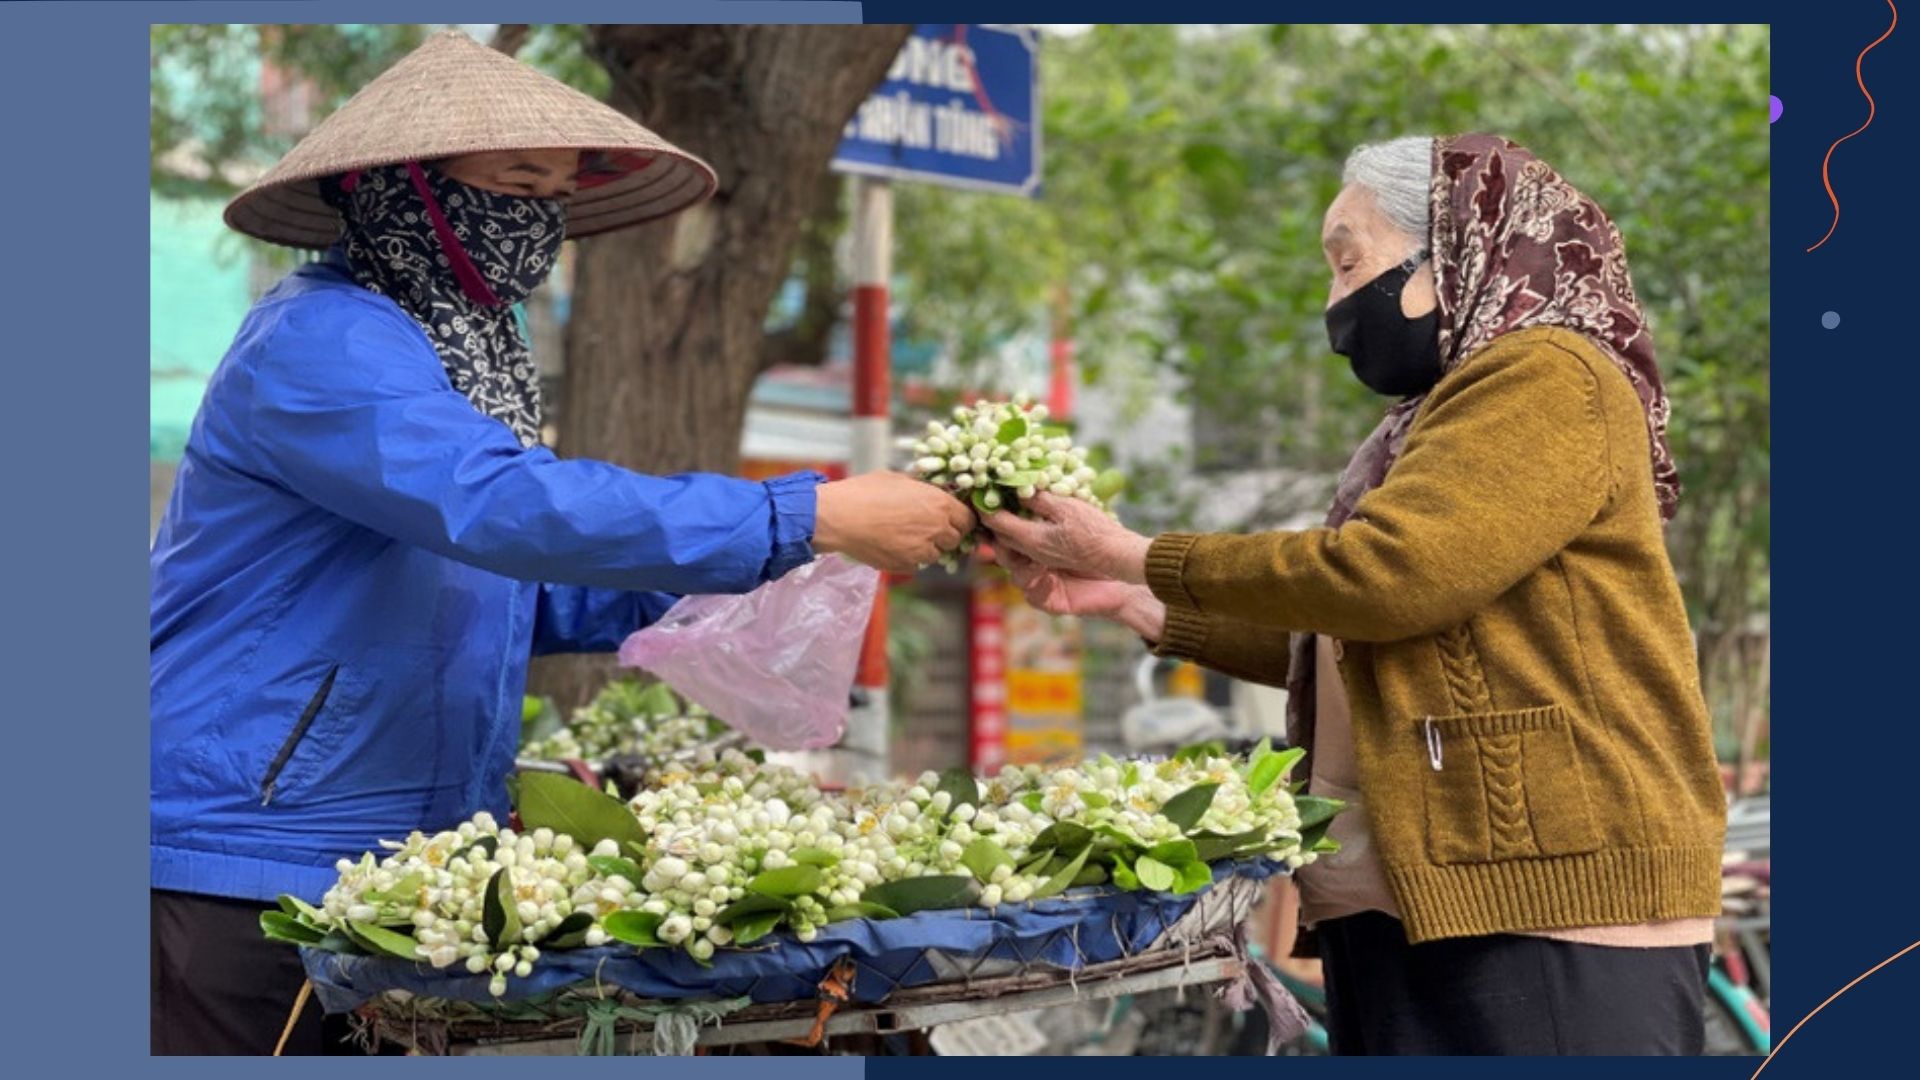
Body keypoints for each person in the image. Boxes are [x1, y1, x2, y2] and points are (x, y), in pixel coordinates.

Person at [149, 31, 970, 1055]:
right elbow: (502, 509)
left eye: (557, 194)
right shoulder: (325, 342)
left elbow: (508, 593)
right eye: (517, 181)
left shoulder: (462, 360)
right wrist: (800, 515)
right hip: (249, 859)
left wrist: (752, 570)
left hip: (397, 870)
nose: (538, 219)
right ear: (400, 188)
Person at [987, 133, 1726, 1056]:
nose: (1337, 302)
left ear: (1457, 247)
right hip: (1422, 893)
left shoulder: (1546, 377)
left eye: (1350, 262)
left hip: (1545, 901)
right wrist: (1135, 600)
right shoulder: (1433, 416)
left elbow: (1388, 577)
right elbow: (1348, 639)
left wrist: (1140, 553)